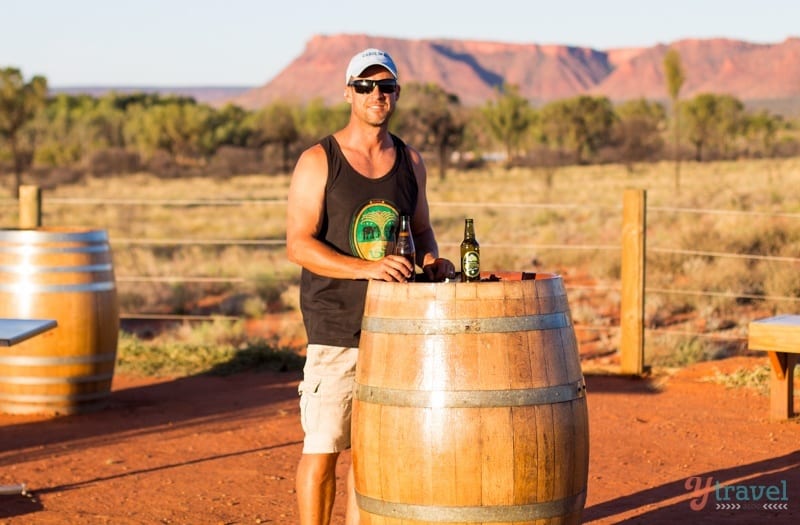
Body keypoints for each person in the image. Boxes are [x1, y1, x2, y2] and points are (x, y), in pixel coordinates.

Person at [286, 48, 455, 524]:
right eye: (365, 86)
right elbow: (298, 245)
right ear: (348, 92)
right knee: (323, 449)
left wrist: (431, 263)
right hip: (337, 327)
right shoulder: (320, 160)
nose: (376, 94)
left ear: (396, 94)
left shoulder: (410, 160)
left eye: (385, 86)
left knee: (376, 454)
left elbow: (420, 231)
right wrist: (367, 268)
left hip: (398, 330)